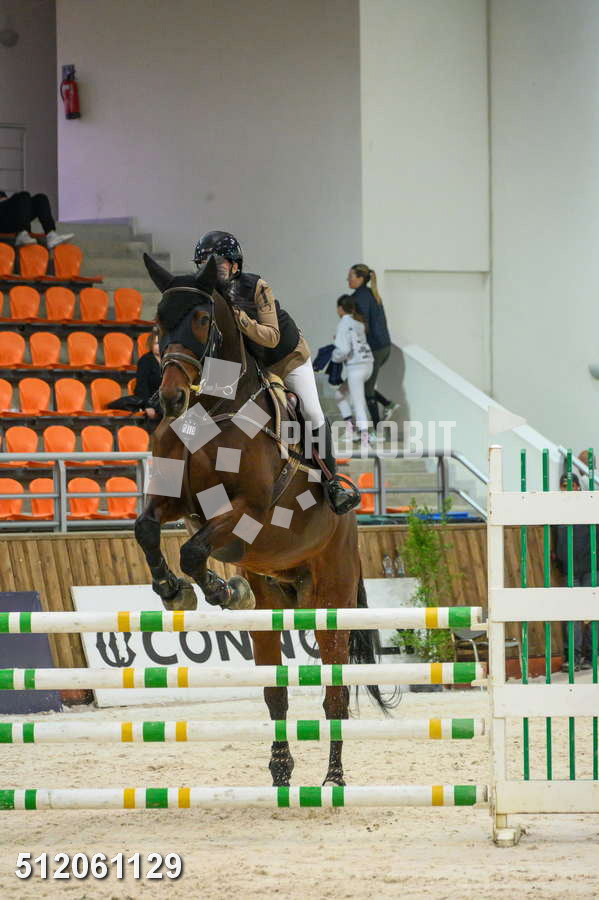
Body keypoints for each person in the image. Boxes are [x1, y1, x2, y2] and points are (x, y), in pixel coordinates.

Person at [193, 230, 359, 515]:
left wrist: (240, 319)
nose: (210, 270)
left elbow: (271, 336)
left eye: (217, 263)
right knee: (198, 416)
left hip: (286, 358)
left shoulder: (256, 286)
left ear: (234, 265)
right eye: (204, 264)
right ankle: (190, 484)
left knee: (311, 412)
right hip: (245, 365)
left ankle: (332, 483)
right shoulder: (202, 293)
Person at [551, 472, 594, 671]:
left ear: (578, 486)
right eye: (563, 486)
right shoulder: (556, 509)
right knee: (571, 613)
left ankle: (591, 656)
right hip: (569, 568)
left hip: (591, 567)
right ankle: (573, 657)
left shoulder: (590, 506)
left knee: (592, 612)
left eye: (570, 485)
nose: (566, 489)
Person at [347, 264, 398, 427]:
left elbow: (363, 325)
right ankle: (387, 405)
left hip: (374, 348)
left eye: (351, 276)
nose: (347, 279)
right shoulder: (371, 293)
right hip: (384, 347)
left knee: (367, 390)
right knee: (364, 386)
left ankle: (378, 429)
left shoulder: (358, 298)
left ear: (360, 278)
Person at [332, 295, 374, 445]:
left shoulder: (344, 323)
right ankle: (352, 431)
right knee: (339, 395)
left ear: (340, 308)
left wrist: (333, 357)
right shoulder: (358, 322)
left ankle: (365, 437)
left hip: (356, 367)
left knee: (358, 403)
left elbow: (343, 350)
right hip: (367, 364)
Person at [0, 190, 73, 248]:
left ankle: (51, 235)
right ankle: (22, 233)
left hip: (10, 217)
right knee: (24, 195)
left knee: (40, 198)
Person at [134, 327, 162, 431]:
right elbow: (141, 386)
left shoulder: (170, 359)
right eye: (156, 343)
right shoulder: (145, 360)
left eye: (162, 342)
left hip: (168, 400)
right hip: (152, 400)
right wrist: (147, 406)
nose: (160, 346)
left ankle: (201, 439)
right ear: (151, 345)